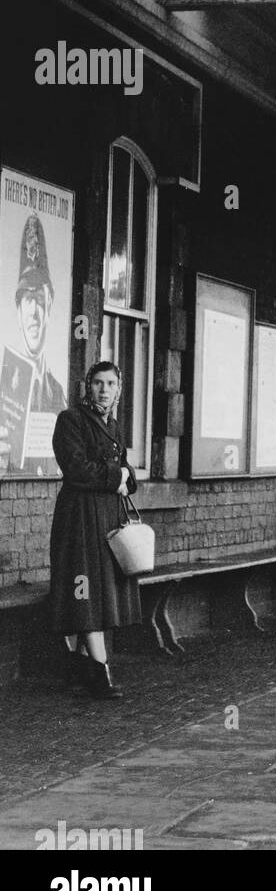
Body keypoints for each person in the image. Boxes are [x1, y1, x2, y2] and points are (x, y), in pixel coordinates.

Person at [49, 361, 141, 699]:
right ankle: (100, 674)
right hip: (79, 519)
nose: (104, 390)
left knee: (101, 590)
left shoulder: (114, 426)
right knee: (85, 589)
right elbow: (75, 469)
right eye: (98, 383)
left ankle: (79, 669)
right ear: (88, 386)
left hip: (108, 518)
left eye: (111, 384)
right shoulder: (71, 420)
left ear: (119, 389)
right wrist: (116, 476)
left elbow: (126, 469)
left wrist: (125, 477)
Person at [15, 213, 67, 413]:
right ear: (18, 311)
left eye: (39, 299)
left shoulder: (57, 392)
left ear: (49, 305)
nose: (34, 314)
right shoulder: (5, 385)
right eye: (28, 299)